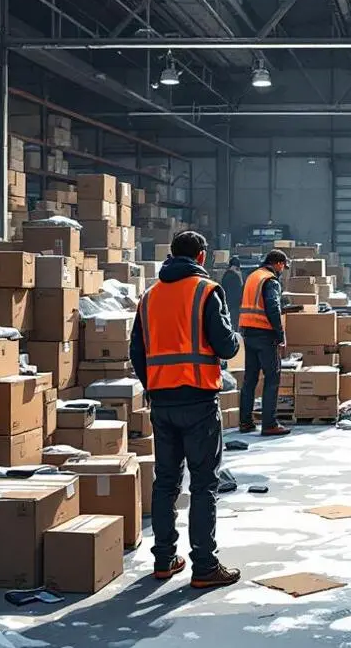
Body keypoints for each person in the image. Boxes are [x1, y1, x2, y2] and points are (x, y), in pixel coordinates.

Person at [129, 230, 241, 588]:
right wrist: (236, 338)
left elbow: (136, 351)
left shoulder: (149, 296)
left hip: (162, 402)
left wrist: (154, 384)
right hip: (198, 401)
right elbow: (225, 346)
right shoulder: (206, 291)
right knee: (204, 484)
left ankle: (164, 560)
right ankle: (204, 566)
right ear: (201, 256)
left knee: (166, 482)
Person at [237, 250, 292, 438]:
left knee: (250, 379)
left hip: (248, 332)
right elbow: (272, 307)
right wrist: (280, 334)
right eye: (283, 266)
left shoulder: (253, 276)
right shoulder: (270, 280)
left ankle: (245, 422)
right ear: (278, 263)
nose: (282, 270)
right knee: (272, 378)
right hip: (264, 334)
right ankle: (269, 424)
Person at [220, 256, 244, 324]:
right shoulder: (235, 277)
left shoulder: (225, 275)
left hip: (227, 306)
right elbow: (239, 293)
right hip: (234, 307)